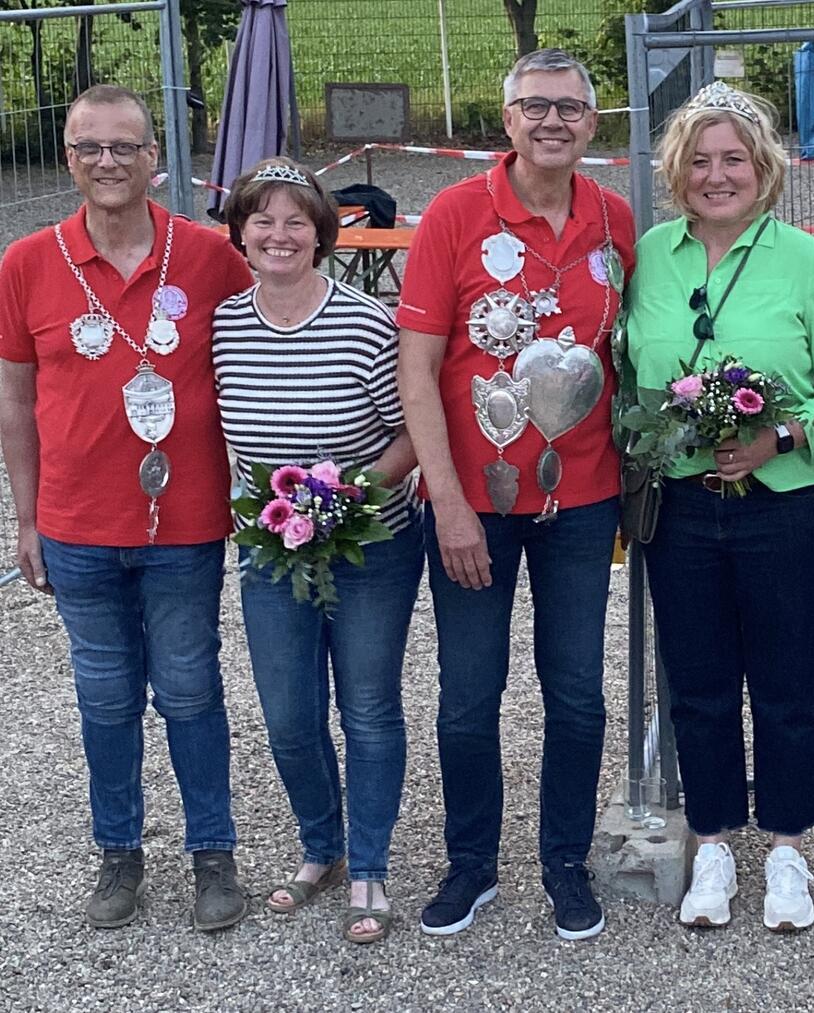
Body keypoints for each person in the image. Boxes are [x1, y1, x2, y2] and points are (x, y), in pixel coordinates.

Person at [0, 84, 254, 930]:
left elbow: (262, 356)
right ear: (68, 157)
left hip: (181, 523)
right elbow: (14, 399)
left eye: (125, 147)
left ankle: (211, 853)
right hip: (76, 526)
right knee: (104, 697)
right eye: (89, 147)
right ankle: (119, 853)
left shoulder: (212, 259)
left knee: (189, 690)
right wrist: (26, 516)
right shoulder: (28, 262)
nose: (107, 162)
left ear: (156, 158)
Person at [395, 49, 635, 941]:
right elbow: (416, 370)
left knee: (576, 693)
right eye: (535, 106)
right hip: (474, 507)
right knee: (468, 693)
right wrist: (448, 501)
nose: (552, 122)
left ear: (591, 125)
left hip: (581, 503)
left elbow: (630, 358)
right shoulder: (455, 215)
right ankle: (472, 863)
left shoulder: (615, 222)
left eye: (571, 109)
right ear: (506, 119)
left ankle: (565, 863)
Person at [623, 82, 814, 931]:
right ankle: (716, 841)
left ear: (763, 170)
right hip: (683, 503)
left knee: (785, 680)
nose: (716, 174)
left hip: (787, 502)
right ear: (677, 170)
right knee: (696, 682)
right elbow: (626, 370)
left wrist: (786, 435)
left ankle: (790, 848)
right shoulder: (650, 255)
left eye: (733, 158)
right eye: (700, 159)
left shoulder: (803, 259)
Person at [214, 157, 423, 945]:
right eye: (262, 220)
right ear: (240, 234)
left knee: (367, 709)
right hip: (270, 549)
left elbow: (410, 431)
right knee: (289, 715)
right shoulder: (225, 324)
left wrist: (352, 497)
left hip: (370, 543)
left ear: (322, 233)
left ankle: (367, 861)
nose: (280, 234)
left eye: (297, 219)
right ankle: (320, 847)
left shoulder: (367, 323)